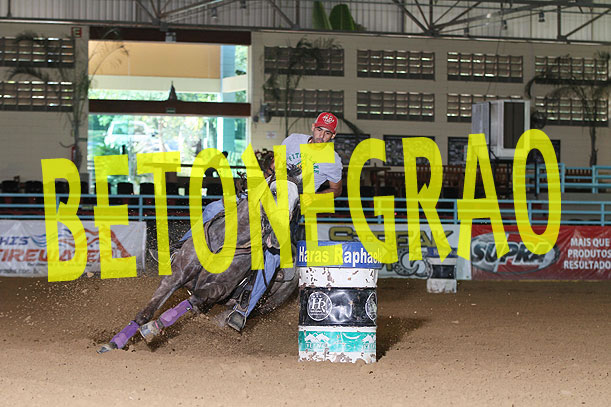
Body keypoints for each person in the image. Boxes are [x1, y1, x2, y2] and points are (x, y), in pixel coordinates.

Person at [225, 112, 343, 332]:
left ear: (332, 136)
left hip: (291, 210)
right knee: (218, 208)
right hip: (270, 194)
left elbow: (336, 190)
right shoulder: (293, 140)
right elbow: (273, 167)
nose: (321, 136)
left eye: (327, 133)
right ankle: (179, 251)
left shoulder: (333, 161)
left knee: (273, 255)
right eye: (319, 129)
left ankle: (243, 311)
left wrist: (311, 198)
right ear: (313, 127)